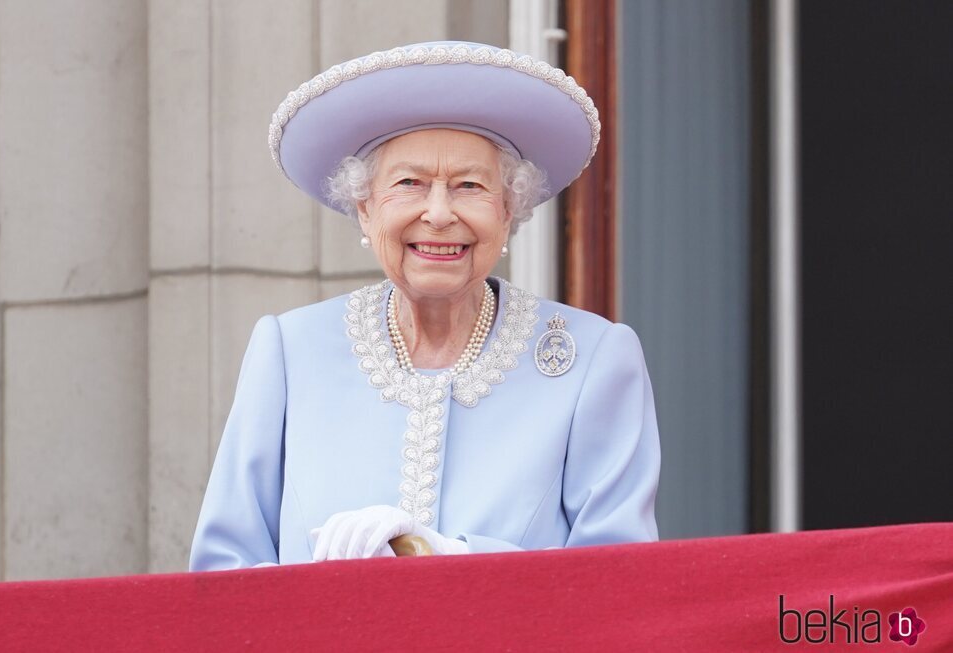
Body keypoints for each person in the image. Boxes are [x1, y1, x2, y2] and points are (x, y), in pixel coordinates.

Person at [189, 41, 661, 569]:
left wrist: (457, 560)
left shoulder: (594, 359)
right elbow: (223, 570)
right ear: (365, 210)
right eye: (409, 183)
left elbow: (621, 578)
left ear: (508, 213)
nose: (439, 213)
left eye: (469, 186)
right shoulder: (289, 351)